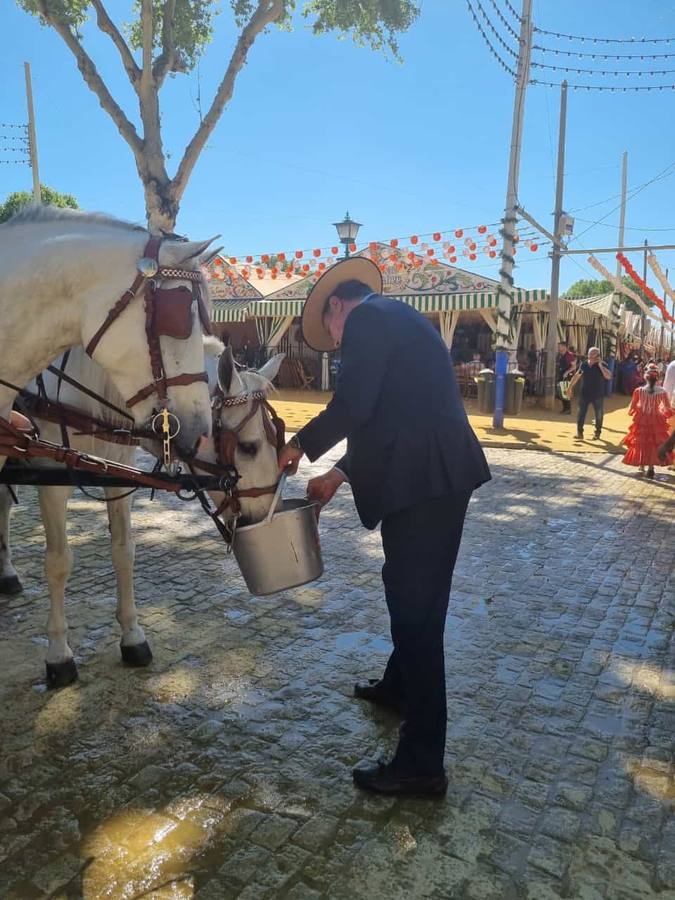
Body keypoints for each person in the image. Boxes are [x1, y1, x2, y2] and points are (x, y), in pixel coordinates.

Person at [277, 257, 491, 798]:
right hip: (429, 476)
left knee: (418, 615)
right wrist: (339, 474)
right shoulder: (397, 317)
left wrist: (299, 444)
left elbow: (354, 405)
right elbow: (390, 417)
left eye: (331, 334)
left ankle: (421, 763)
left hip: (427, 482)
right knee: (407, 591)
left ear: (337, 308)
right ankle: (399, 686)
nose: (336, 343)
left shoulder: (367, 320)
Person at [622, 363, 674, 477]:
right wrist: (662, 414)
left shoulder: (639, 390)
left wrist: (640, 410)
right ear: (657, 377)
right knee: (654, 443)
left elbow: (633, 407)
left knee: (642, 442)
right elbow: (667, 408)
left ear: (645, 377)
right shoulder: (662, 391)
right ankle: (651, 467)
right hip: (656, 418)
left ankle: (642, 464)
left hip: (642, 419)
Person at [567, 347, 612, 440]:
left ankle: (597, 433)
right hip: (585, 393)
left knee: (598, 415)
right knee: (581, 413)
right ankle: (580, 433)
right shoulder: (584, 364)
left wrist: (600, 365)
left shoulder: (602, 364)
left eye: (593, 354)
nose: (591, 356)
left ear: (597, 355)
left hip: (597, 394)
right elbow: (577, 376)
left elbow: (608, 376)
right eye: (590, 353)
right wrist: (570, 387)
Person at [556, 341, 576, 414]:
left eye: (560, 347)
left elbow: (574, 366)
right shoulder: (561, 355)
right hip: (562, 375)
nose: (558, 348)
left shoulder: (569, 355)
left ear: (564, 347)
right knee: (561, 392)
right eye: (558, 347)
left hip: (567, 376)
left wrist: (567, 372)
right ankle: (564, 409)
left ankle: (568, 409)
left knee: (566, 392)